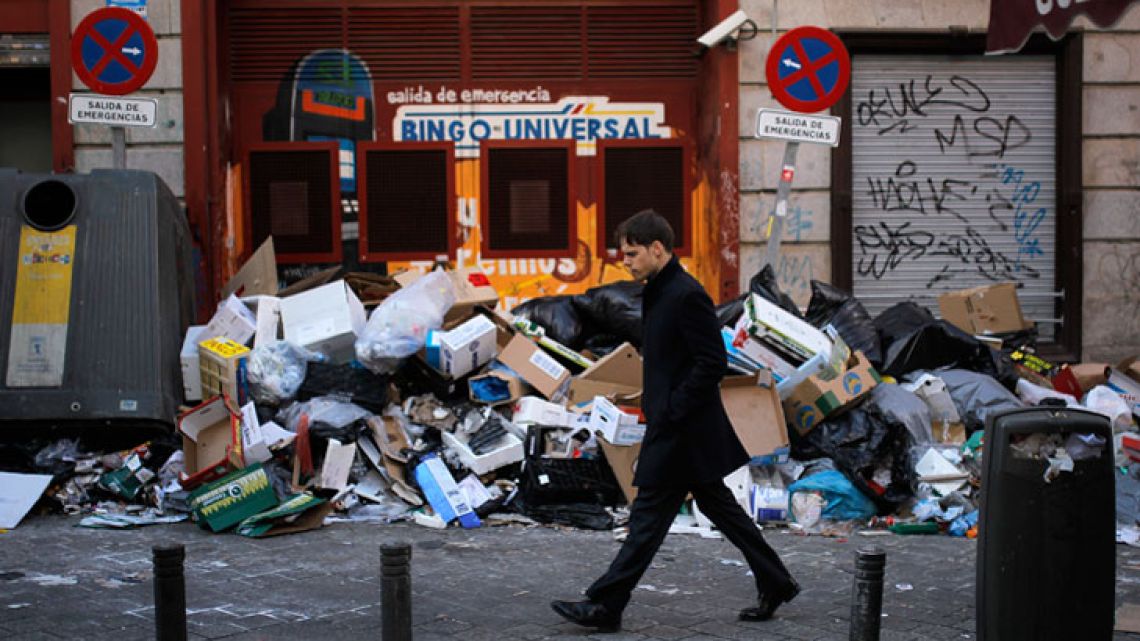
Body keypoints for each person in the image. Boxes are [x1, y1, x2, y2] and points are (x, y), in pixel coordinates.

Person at [550, 209, 799, 633]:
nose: (625, 261)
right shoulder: (658, 291)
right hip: (678, 427)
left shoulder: (686, 294)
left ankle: (606, 604)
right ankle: (776, 581)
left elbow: (711, 361)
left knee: (647, 519)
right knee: (719, 509)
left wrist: (672, 408)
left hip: (683, 431)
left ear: (657, 249)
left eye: (631, 253)